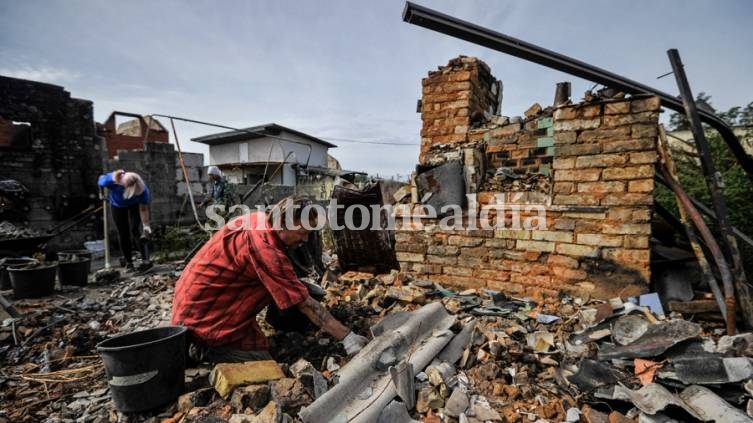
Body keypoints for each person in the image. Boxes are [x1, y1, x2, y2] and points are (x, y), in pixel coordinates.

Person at [171, 196, 368, 363]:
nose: (305, 240)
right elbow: (306, 305)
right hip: (204, 319)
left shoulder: (260, 219)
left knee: (293, 288)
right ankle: (203, 349)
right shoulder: (265, 248)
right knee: (262, 360)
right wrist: (347, 337)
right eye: (303, 233)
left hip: (193, 301)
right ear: (283, 222)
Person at [97, 170, 152, 270]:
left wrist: (146, 225)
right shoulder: (111, 180)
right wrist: (101, 194)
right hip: (117, 205)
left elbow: (143, 209)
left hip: (134, 206)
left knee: (135, 229)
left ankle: (145, 260)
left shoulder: (143, 191)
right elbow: (100, 181)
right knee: (123, 233)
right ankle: (129, 262)